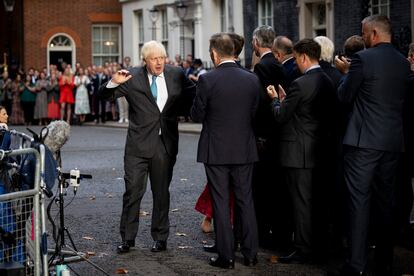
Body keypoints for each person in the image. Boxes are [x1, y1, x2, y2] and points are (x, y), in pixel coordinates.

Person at [98, 40, 195, 254]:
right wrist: (112, 82)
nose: (159, 62)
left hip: (165, 144)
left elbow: (194, 95)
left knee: (161, 193)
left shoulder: (176, 73)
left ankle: (160, 237)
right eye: (154, 59)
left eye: (161, 58)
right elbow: (102, 95)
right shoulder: (131, 76)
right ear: (145, 60)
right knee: (132, 192)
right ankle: (127, 238)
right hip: (137, 146)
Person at [335, 15, 411, 275]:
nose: (364, 37)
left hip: (362, 142)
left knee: (358, 202)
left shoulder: (363, 59)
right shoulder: (403, 63)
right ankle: (384, 262)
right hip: (392, 142)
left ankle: (356, 266)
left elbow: (344, 98)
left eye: (365, 33)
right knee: (385, 203)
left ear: (375, 34)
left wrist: (345, 75)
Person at [191, 33, 260, 269]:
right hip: (244, 147)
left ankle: (226, 256)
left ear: (214, 54)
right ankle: (251, 254)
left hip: (216, 149)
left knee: (220, 202)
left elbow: (197, 115)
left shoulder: (207, 79)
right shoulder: (251, 79)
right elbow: (254, 113)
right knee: (246, 201)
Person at [267, 38, 336, 263]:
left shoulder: (300, 83)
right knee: (318, 202)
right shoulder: (327, 79)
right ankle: (318, 245)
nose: (295, 64)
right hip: (320, 149)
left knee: (301, 204)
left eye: (296, 59)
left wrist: (276, 100)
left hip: (298, 152)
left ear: (304, 57)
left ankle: (304, 249)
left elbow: (280, 116)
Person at [251, 25, 287, 250]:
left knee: (262, 189)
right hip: (279, 134)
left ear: (256, 42)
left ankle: (263, 234)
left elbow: (260, 104)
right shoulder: (279, 64)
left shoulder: (262, 67)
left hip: (265, 135)